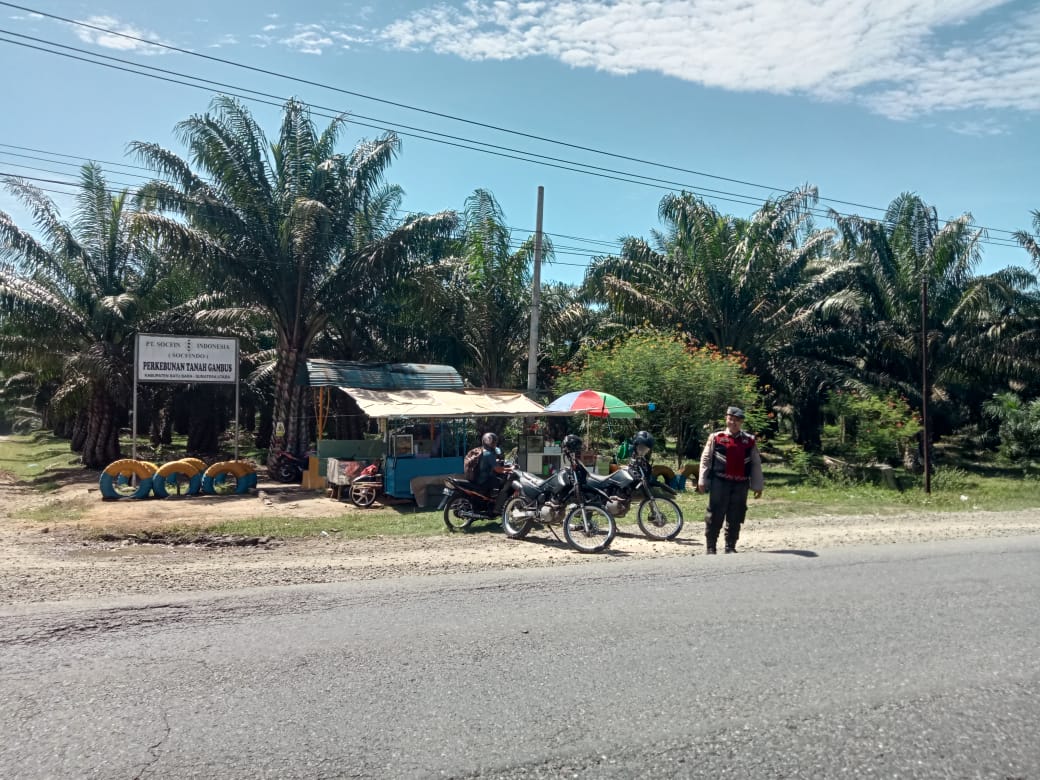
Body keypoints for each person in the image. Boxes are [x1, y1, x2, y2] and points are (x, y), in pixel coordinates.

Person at [697, 406, 764, 554]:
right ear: (726, 419)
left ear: (741, 422)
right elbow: (706, 459)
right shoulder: (716, 437)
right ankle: (711, 547)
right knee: (715, 514)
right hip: (719, 482)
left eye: (737, 421)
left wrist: (758, 485)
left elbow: (755, 463)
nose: (733, 423)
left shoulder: (749, 440)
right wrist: (702, 480)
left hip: (741, 484)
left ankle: (730, 546)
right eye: (731, 419)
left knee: (736, 514)